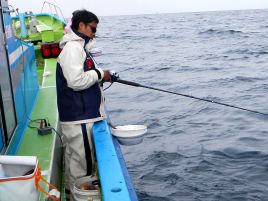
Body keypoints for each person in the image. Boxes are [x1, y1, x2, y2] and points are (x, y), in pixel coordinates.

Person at [56, 9, 111, 201]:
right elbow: (76, 81)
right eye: (93, 28)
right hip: (80, 119)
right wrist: (99, 74)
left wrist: (97, 75)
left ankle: (71, 196)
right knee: (84, 169)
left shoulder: (78, 47)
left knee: (75, 164)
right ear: (81, 26)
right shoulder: (73, 48)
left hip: (77, 118)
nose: (94, 33)